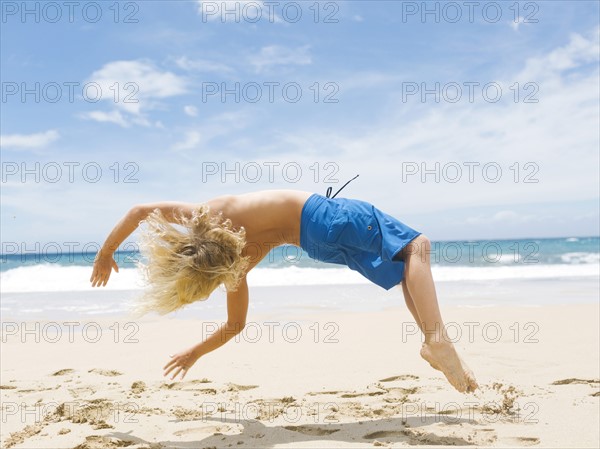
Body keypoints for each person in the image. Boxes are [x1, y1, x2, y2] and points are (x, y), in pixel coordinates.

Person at [90, 189, 478, 393]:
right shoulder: (211, 213)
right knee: (418, 246)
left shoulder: (235, 266)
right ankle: (437, 340)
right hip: (322, 218)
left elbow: (236, 324)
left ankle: (432, 343)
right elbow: (141, 210)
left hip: (316, 245)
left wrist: (195, 352)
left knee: (401, 265)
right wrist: (105, 253)